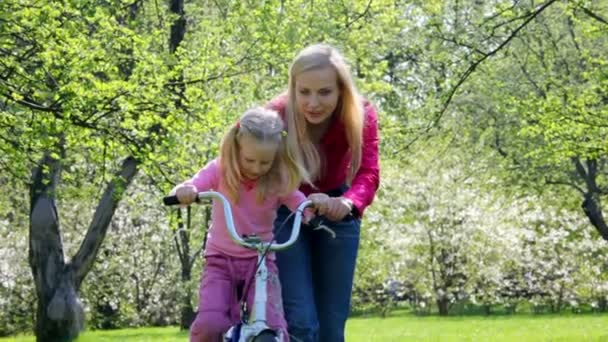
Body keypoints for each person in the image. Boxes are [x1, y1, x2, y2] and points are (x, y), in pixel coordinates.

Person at [171, 107, 323, 342]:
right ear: (237, 147)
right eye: (249, 159)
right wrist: (186, 192)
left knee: (273, 324)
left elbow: (296, 200)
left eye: (265, 162)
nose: (256, 167)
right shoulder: (220, 169)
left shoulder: (277, 177)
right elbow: (194, 185)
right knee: (212, 323)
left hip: (261, 262)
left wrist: (310, 209)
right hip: (220, 260)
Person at [268, 43, 380, 342]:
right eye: (304, 92)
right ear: (293, 88)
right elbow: (233, 153)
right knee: (301, 322)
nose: (313, 103)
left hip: (337, 210)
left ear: (341, 89)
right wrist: (197, 185)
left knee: (331, 328)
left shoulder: (361, 114)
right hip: (286, 213)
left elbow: (368, 172)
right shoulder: (275, 115)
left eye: (324, 92)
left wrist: (348, 202)